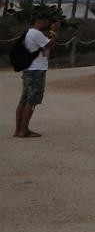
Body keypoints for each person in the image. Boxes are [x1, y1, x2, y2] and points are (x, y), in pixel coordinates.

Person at [14, 11, 55, 139]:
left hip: (28, 69)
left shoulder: (28, 33)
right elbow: (50, 46)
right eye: (46, 21)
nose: (47, 24)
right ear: (40, 21)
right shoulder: (37, 34)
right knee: (31, 101)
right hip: (36, 71)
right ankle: (24, 130)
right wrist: (53, 31)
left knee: (24, 100)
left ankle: (18, 129)